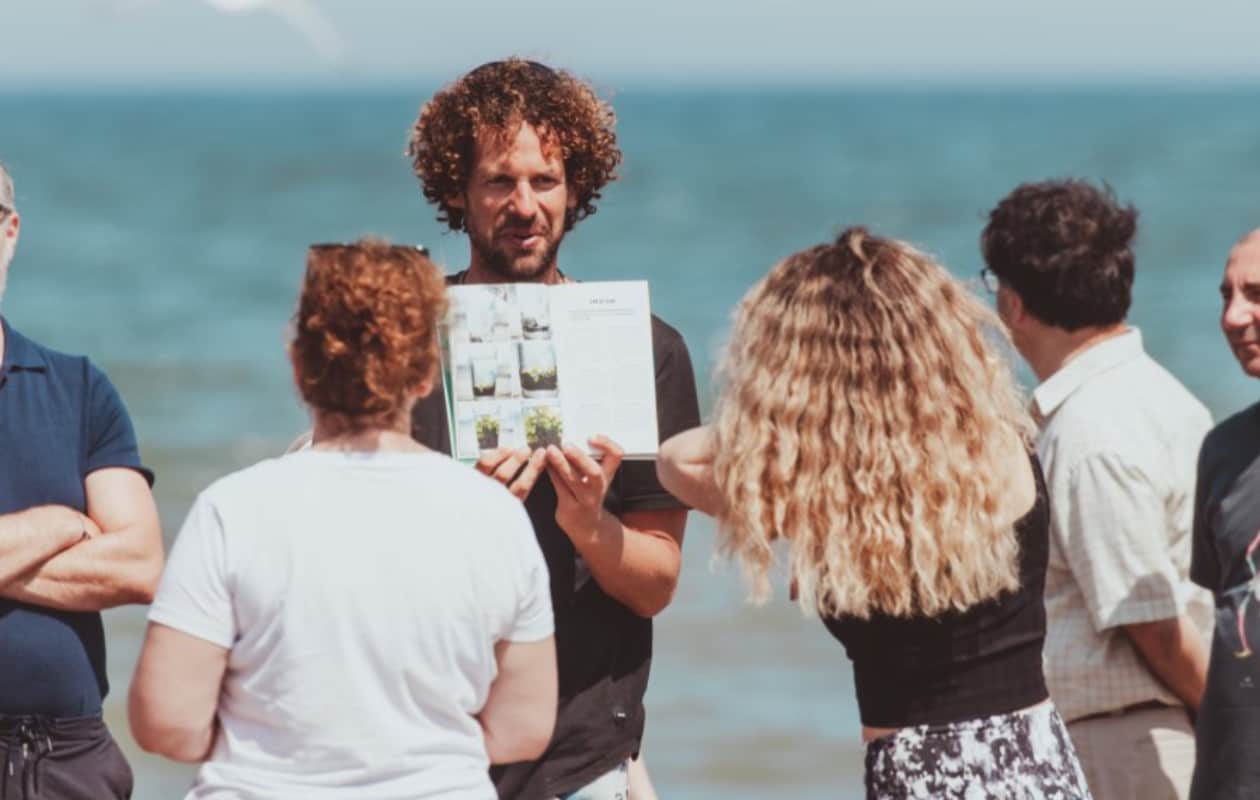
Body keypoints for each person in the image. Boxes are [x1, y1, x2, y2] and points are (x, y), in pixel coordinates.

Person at [657, 227, 1091, 798]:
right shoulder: (1002, 446)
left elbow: (675, 461)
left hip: (926, 774)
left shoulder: (840, 500)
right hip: (1037, 761)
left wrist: (788, 425)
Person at [128, 240, 558, 798]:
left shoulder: (233, 510)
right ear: (427, 373)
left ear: (299, 364)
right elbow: (523, 729)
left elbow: (167, 723)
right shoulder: (493, 516)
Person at [406, 58, 701, 799]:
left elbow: (655, 584)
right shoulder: (403, 342)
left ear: (578, 190)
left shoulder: (644, 348)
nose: (525, 204)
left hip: (579, 755)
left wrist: (589, 524)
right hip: (420, 749)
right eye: (500, 181)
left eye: (546, 181)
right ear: (457, 191)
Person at [981, 179, 1212, 799]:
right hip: (1147, 733)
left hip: (1127, 744)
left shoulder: (1090, 430)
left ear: (1014, 303)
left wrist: (1235, 730)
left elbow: (1153, 624)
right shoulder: (1161, 395)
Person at [0, 160, 162, 798]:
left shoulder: (79, 388)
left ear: (10, 231)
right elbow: (105, 550)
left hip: (70, 759)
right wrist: (57, 525)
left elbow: (138, 566)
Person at [1188, 228, 1260, 800]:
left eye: (1256, 293)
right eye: (1225, 295)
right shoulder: (1223, 452)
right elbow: (1226, 629)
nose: (1234, 318)